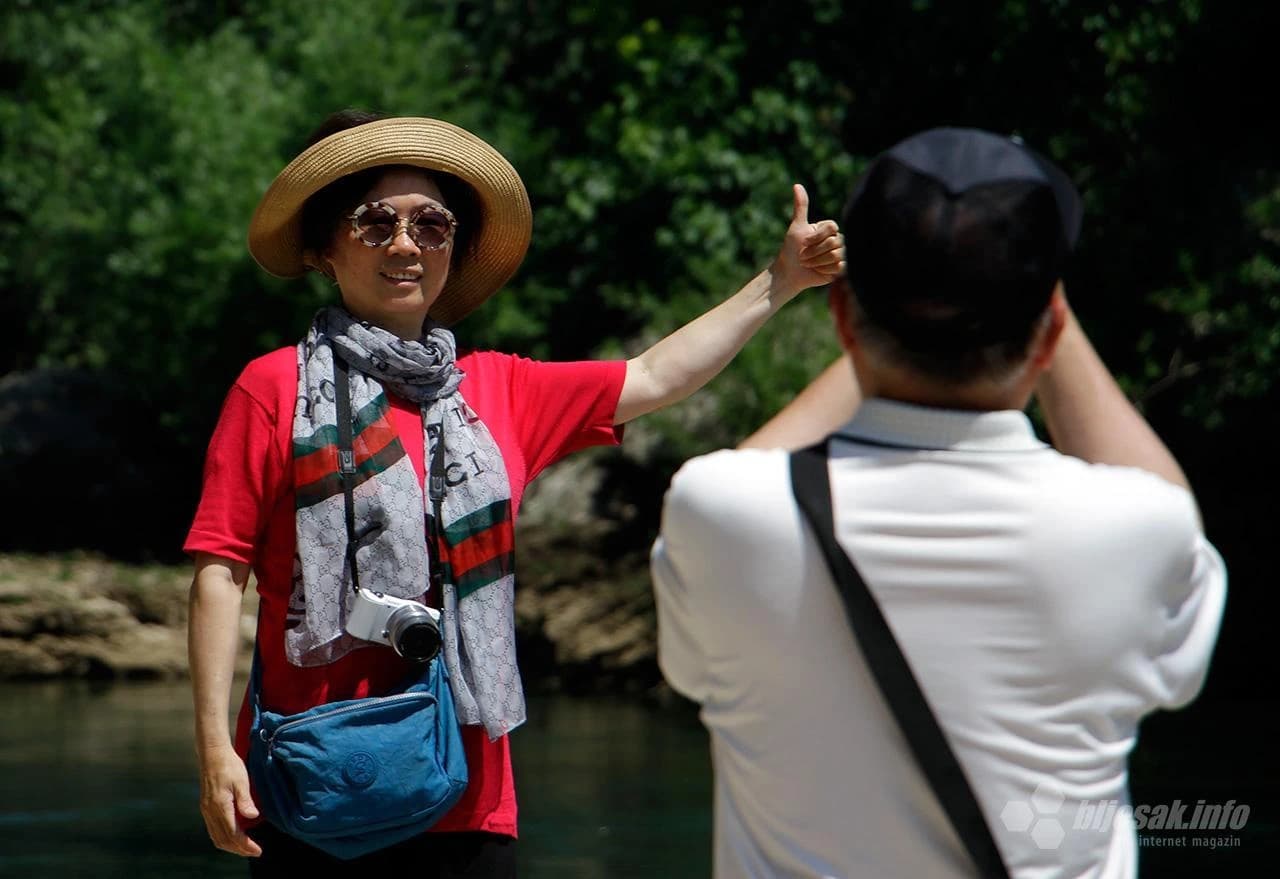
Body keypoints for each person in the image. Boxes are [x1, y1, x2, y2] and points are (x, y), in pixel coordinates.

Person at [185, 108, 845, 875]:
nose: (406, 244)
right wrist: (211, 752)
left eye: (431, 225)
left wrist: (781, 279)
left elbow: (657, 376)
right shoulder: (273, 388)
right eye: (375, 223)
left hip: (467, 798)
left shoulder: (500, 391)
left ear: (452, 249)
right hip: (314, 783)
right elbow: (219, 571)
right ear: (326, 248)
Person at [650, 127, 1226, 878]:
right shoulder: (1138, 531)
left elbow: (746, 478)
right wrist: (1041, 305)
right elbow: (1170, 512)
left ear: (845, 321)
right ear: (1050, 329)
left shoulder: (721, 512)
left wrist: (881, 336)